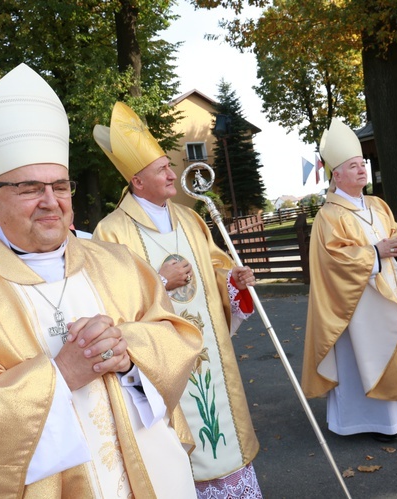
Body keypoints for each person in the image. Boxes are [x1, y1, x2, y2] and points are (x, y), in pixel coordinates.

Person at [0, 63, 202, 498]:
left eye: (61, 186)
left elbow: (178, 337)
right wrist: (59, 376)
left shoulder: (117, 263)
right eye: (30, 188)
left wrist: (129, 354)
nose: (51, 203)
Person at [92, 102, 262, 498]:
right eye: (162, 170)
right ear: (137, 182)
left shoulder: (189, 218)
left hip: (211, 355)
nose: (172, 173)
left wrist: (232, 281)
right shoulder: (112, 232)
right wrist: (159, 283)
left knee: (224, 430)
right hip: (162, 364)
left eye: (169, 167)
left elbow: (214, 267)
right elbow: (108, 300)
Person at [300, 118, 397, 442]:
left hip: (390, 293)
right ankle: (379, 423)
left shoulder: (376, 204)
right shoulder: (328, 216)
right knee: (368, 359)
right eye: (353, 166)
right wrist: (374, 252)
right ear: (337, 175)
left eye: (363, 164)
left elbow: (394, 231)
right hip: (357, 305)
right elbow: (332, 260)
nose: (361, 170)